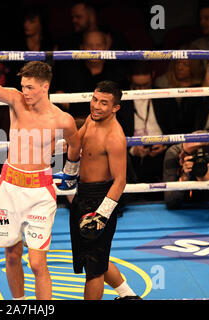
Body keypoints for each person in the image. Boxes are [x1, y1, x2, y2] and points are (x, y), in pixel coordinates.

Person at [0, 35, 81, 300]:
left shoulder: (63, 120)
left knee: (36, 263)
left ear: (45, 86)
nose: (26, 92)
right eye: (23, 86)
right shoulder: (15, 100)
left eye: (31, 87)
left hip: (40, 191)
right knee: (11, 255)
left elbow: (75, 146)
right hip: (9, 186)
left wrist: (71, 172)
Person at [67, 80, 140, 300]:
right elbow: (76, 144)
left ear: (115, 107)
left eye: (104, 103)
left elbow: (120, 181)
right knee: (93, 257)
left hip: (100, 199)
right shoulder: (91, 119)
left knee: (94, 270)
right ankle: (128, 296)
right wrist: (67, 170)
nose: (96, 106)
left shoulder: (114, 137)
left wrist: (101, 215)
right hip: (82, 194)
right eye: (95, 99)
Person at [117, 61, 179, 189]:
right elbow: (116, 133)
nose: (142, 90)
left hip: (162, 148)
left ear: (153, 75)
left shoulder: (166, 97)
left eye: (145, 85)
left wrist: (165, 144)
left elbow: (177, 128)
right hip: (131, 149)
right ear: (129, 79)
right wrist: (132, 149)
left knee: (171, 155)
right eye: (137, 86)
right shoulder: (121, 100)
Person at [53, 30, 127, 119]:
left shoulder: (117, 73)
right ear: (82, 47)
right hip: (75, 124)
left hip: (107, 125)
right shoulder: (68, 72)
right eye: (89, 45)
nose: (94, 50)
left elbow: (121, 107)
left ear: (106, 47)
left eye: (98, 45)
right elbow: (59, 100)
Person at [163, 134, 209, 212]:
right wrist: (183, 179)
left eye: (187, 154)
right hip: (186, 205)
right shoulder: (174, 154)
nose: (181, 155)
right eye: (183, 150)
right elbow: (170, 203)